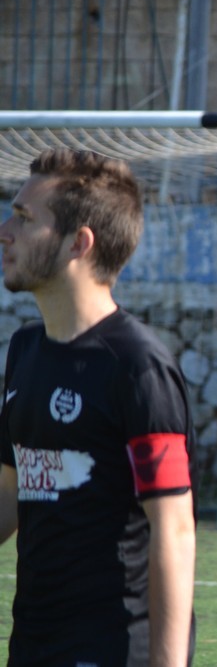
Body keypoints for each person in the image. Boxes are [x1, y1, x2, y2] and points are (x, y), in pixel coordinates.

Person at [0, 149, 196, 666]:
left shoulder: (138, 367)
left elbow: (173, 529)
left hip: (113, 648)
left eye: (23, 218)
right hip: (33, 644)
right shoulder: (24, 350)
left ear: (78, 243)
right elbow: (10, 491)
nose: (5, 232)